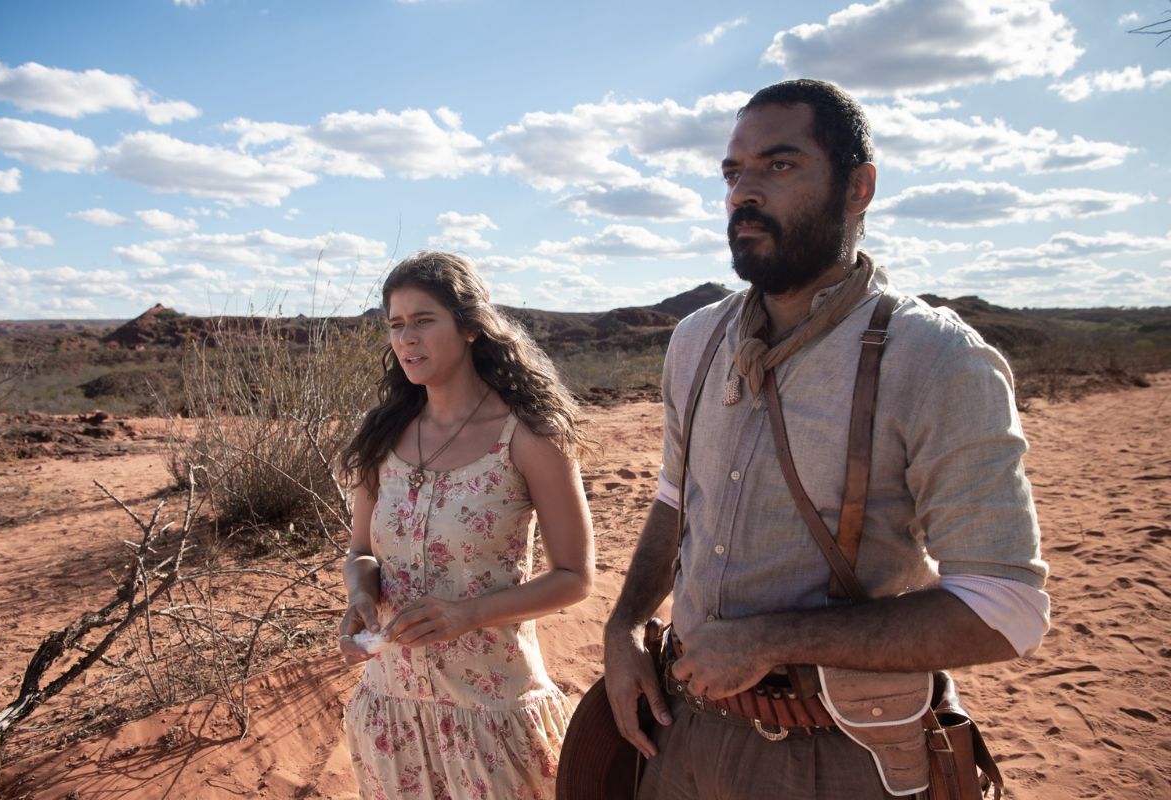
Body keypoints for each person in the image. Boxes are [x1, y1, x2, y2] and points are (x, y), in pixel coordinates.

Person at [602, 79, 1049, 799]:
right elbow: (673, 500)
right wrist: (623, 628)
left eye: (779, 166)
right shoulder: (695, 340)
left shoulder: (933, 358)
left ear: (858, 187)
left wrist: (771, 639)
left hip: (837, 751)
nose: (744, 191)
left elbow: (1007, 608)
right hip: (682, 736)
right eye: (732, 171)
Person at [338, 251, 595, 800]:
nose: (407, 339)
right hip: (391, 713)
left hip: (493, 713)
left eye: (424, 320)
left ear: (472, 326)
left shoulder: (528, 435)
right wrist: (360, 595)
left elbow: (575, 576)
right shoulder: (381, 437)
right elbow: (361, 551)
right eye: (396, 325)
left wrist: (466, 614)